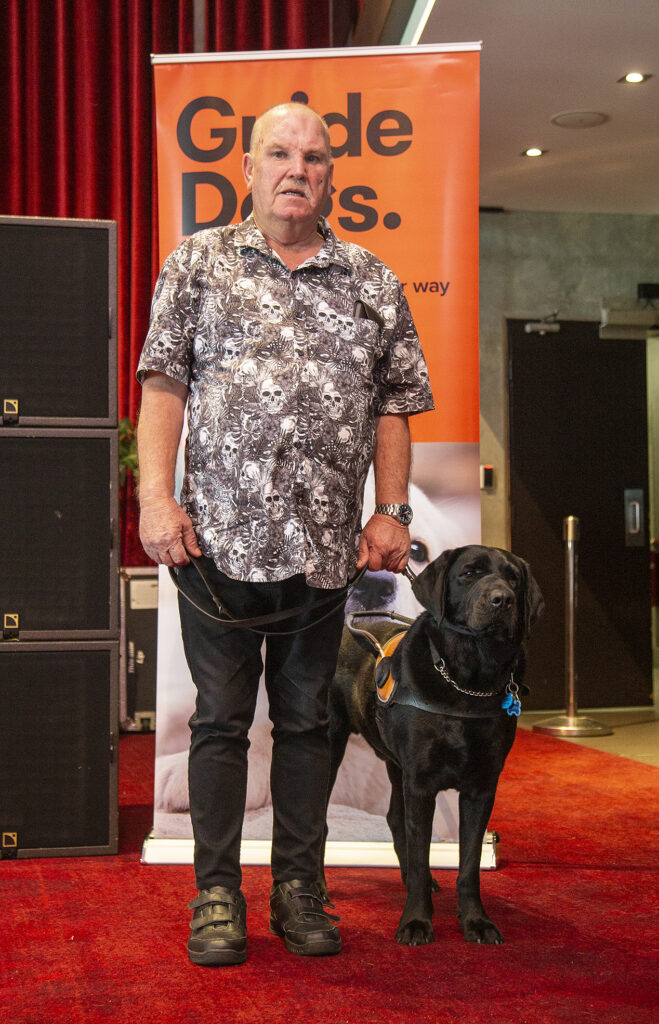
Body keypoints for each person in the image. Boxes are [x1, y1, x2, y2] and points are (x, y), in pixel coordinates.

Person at [136, 101, 434, 967]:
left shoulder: (371, 278)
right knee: (222, 725)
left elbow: (393, 405)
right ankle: (217, 896)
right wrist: (157, 501)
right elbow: (164, 389)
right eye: (279, 153)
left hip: (324, 550)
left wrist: (392, 510)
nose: (295, 168)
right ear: (248, 168)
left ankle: (300, 889)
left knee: (309, 723)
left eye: (312, 156)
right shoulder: (197, 265)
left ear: (331, 175)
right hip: (216, 550)